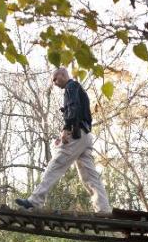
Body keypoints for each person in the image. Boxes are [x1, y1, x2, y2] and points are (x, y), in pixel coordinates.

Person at [15, 67, 112, 214]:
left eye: (55, 78)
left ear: (63, 75)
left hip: (77, 131)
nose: (54, 82)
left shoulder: (71, 86)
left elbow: (73, 107)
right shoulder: (79, 89)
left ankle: (35, 201)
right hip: (86, 136)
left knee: (56, 164)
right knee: (89, 175)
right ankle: (104, 209)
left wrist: (67, 129)